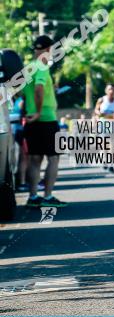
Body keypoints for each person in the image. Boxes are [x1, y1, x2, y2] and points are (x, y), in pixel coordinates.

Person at [22, 35, 66, 209]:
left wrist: (32, 111)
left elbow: (24, 93)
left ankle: (33, 196)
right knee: (53, 158)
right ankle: (47, 197)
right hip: (45, 118)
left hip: (32, 119)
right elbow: (39, 89)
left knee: (34, 159)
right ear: (49, 49)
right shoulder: (42, 66)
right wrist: (40, 112)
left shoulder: (28, 68)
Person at [94, 84, 114, 173]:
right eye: (109, 89)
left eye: (113, 90)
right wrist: (99, 113)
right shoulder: (101, 100)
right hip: (103, 125)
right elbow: (96, 110)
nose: (111, 91)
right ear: (106, 91)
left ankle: (111, 164)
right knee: (104, 146)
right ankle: (105, 161)